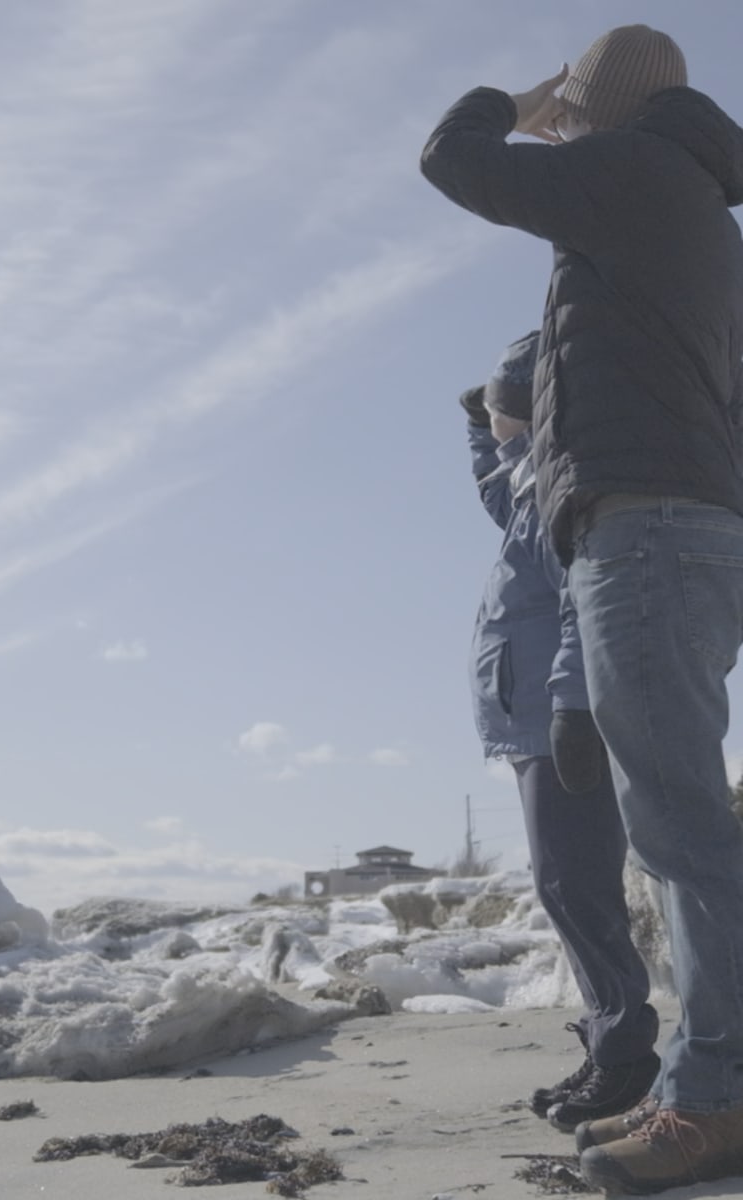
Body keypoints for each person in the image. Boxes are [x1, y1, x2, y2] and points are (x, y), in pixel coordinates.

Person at [422, 23, 743, 1194]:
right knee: (682, 821)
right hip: (680, 530)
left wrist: (521, 100)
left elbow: (453, 158)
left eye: (579, 103)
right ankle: (706, 1084)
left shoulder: (640, 172)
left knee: (680, 831)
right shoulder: (695, 203)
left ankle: (711, 1099)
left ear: (599, 103)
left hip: (648, 533)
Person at [463, 330, 658, 1135]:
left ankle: (625, 1054)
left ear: (528, 405)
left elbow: (582, 596)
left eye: (498, 405)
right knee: (565, 883)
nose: (492, 416)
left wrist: (572, 704)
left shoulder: (556, 479)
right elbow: (496, 495)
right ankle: (611, 1037)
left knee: (574, 882)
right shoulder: (527, 476)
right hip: (535, 717)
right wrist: (479, 433)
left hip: (558, 719)